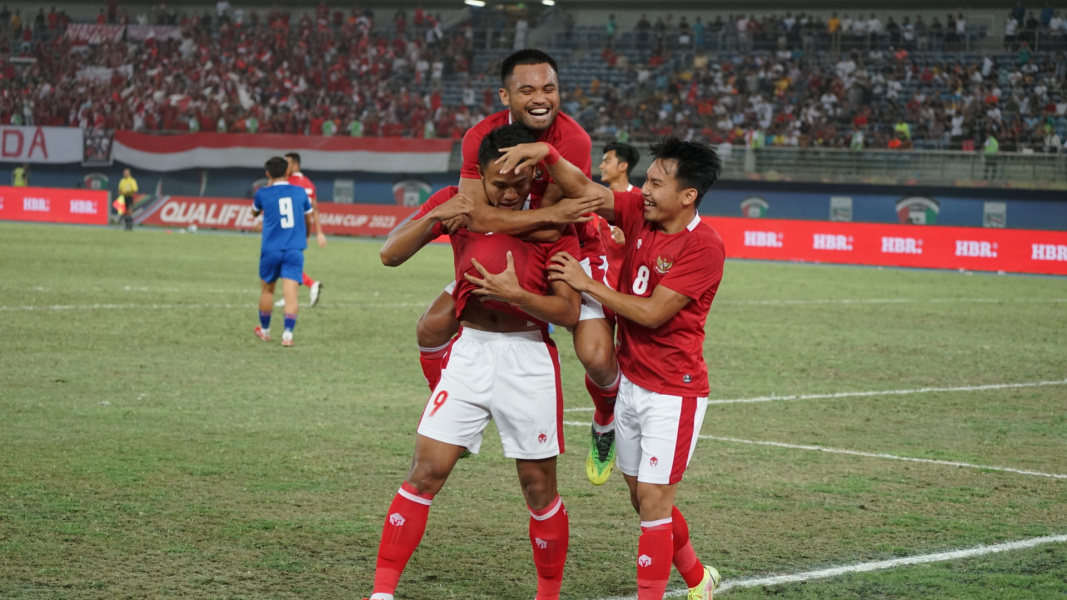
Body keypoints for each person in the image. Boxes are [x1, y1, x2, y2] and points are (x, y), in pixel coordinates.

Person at [496, 136, 726, 600]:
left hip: (672, 393)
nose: (644, 188)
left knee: (656, 505)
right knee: (643, 501)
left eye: (657, 183)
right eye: (646, 178)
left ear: (688, 196)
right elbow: (589, 191)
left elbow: (651, 313)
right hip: (632, 384)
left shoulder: (704, 246)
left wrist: (585, 284)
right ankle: (699, 578)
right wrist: (550, 156)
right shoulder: (641, 211)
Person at [367, 124, 582, 600]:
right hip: (469, 352)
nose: (509, 193)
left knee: (538, 488)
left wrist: (518, 295)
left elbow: (568, 312)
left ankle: (548, 594)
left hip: (528, 360)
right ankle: (382, 594)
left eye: (520, 183)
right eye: (498, 183)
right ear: (479, 175)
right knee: (425, 473)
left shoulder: (554, 223)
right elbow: (389, 254)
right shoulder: (456, 202)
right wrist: (436, 218)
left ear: (534, 175)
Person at [399, 49, 621, 486]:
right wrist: (525, 220)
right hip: (509, 249)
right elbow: (476, 215)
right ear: (506, 96)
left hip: (572, 248)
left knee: (595, 356)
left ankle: (605, 417)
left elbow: (556, 230)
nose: (541, 98)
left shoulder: (572, 141)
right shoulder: (480, 138)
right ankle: (449, 413)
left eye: (549, 88)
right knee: (431, 327)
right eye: (527, 90)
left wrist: (510, 221)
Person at [252, 157, 313, 347]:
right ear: (287, 172)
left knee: (268, 290)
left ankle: (265, 330)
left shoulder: (262, 193)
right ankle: (287, 335)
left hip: (271, 249)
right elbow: (308, 218)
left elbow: (254, 213)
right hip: (294, 248)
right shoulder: (300, 192)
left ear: (268, 174)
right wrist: (306, 236)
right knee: (291, 294)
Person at [281, 152, 326, 307]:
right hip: (302, 230)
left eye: (287, 163)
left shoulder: (288, 181)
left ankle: (311, 284)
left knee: (285, 262)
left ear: (295, 164)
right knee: (289, 262)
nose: (285, 167)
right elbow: (315, 209)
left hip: (289, 227)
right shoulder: (309, 184)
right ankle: (289, 295)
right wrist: (318, 233)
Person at [597, 141, 640, 291]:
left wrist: (631, 240)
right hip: (603, 284)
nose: (601, 167)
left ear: (623, 166)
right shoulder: (596, 200)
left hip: (633, 286)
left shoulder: (642, 200)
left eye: (607, 161)